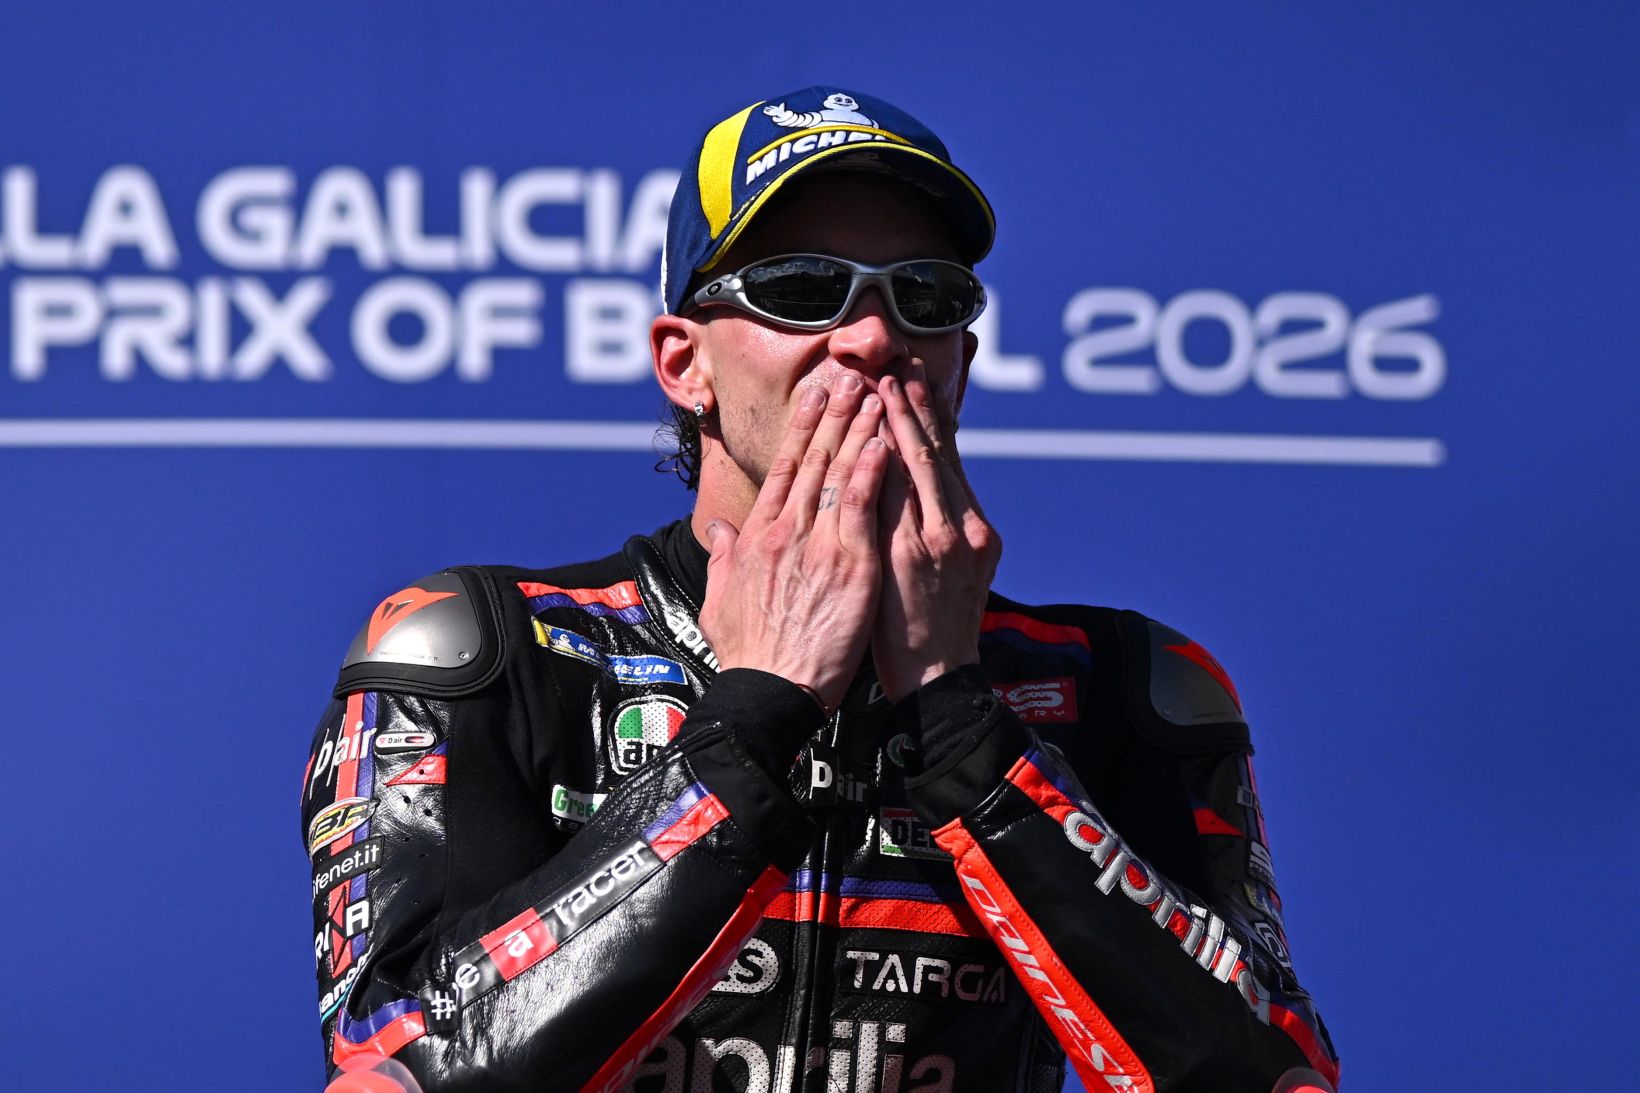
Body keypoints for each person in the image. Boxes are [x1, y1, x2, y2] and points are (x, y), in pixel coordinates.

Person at [301, 85, 1340, 1093]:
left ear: (961, 361)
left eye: (924, 296)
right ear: (684, 363)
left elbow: (1269, 1075)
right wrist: (751, 720)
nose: (874, 338)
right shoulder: (487, 656)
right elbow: (401, 1068)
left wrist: (961, 721)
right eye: (801, 289)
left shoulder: (1120, 687)